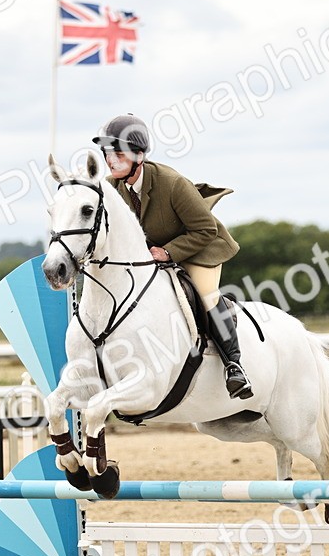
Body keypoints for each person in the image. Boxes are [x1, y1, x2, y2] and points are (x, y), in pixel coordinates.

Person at [91, 113, 252, 400]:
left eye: (117, 153)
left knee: (205, 293)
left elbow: (205, 229)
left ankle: (234, 366)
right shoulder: (112, 187)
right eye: (107, 154)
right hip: (152, 256)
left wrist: (168, 252)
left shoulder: (172, 183)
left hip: (198, 247)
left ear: (139, 155)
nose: (110, 160)